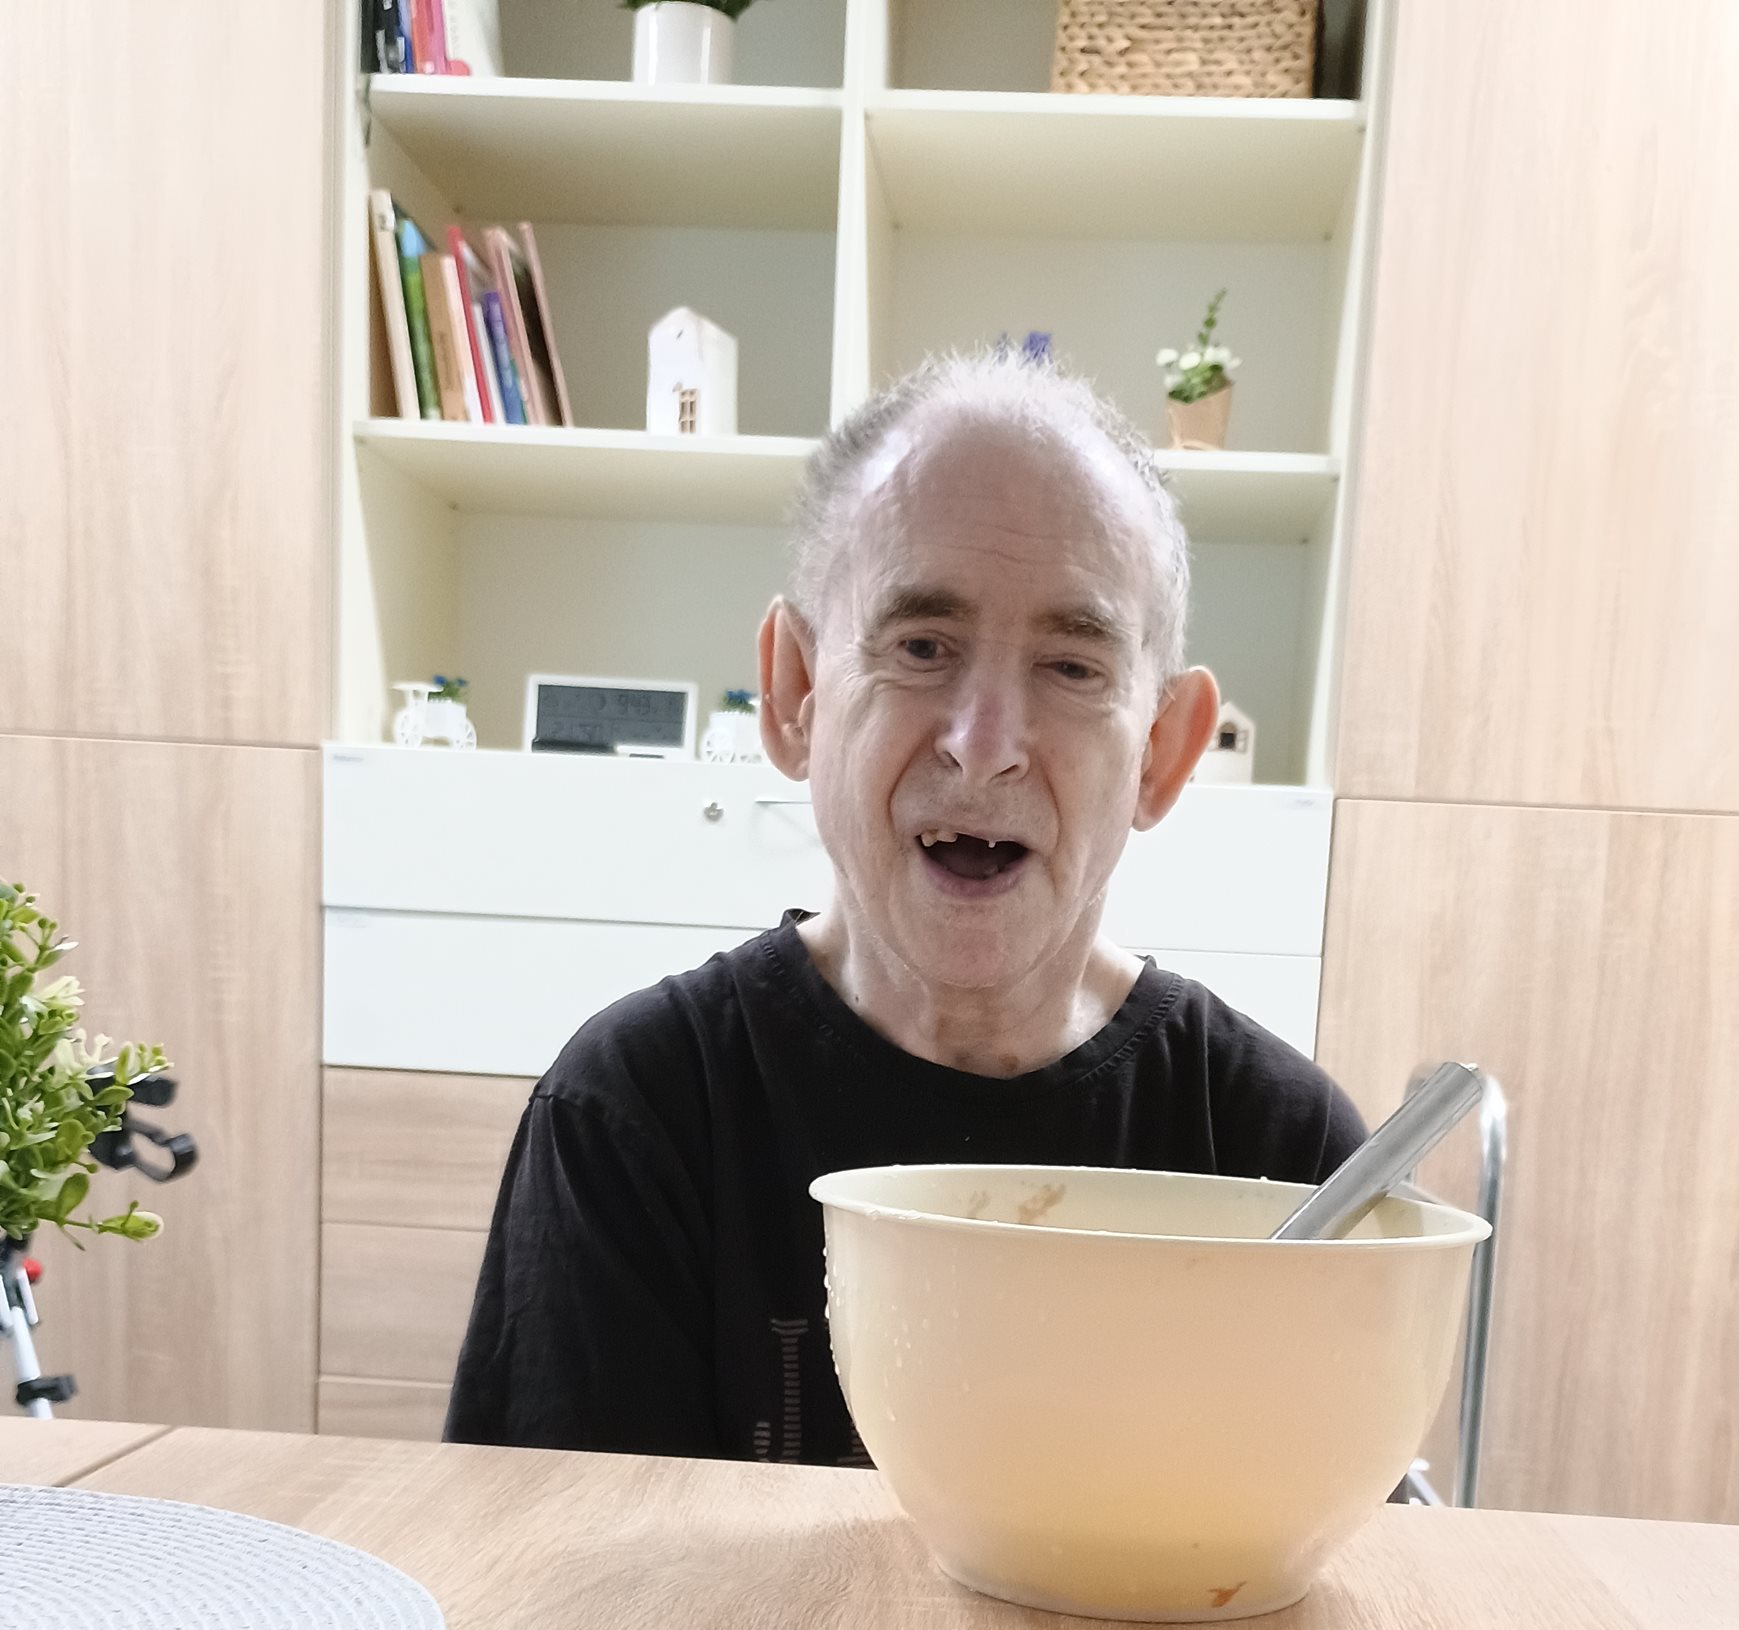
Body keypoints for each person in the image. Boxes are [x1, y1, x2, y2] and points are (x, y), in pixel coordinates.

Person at [444, 348, 1367, 1462]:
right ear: (796, 691)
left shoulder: (1285, 1154)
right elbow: (573, 1555)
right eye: (923, 647)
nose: (985, 744)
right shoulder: (636, 1115)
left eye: (1072, 666)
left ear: (1163, 752)